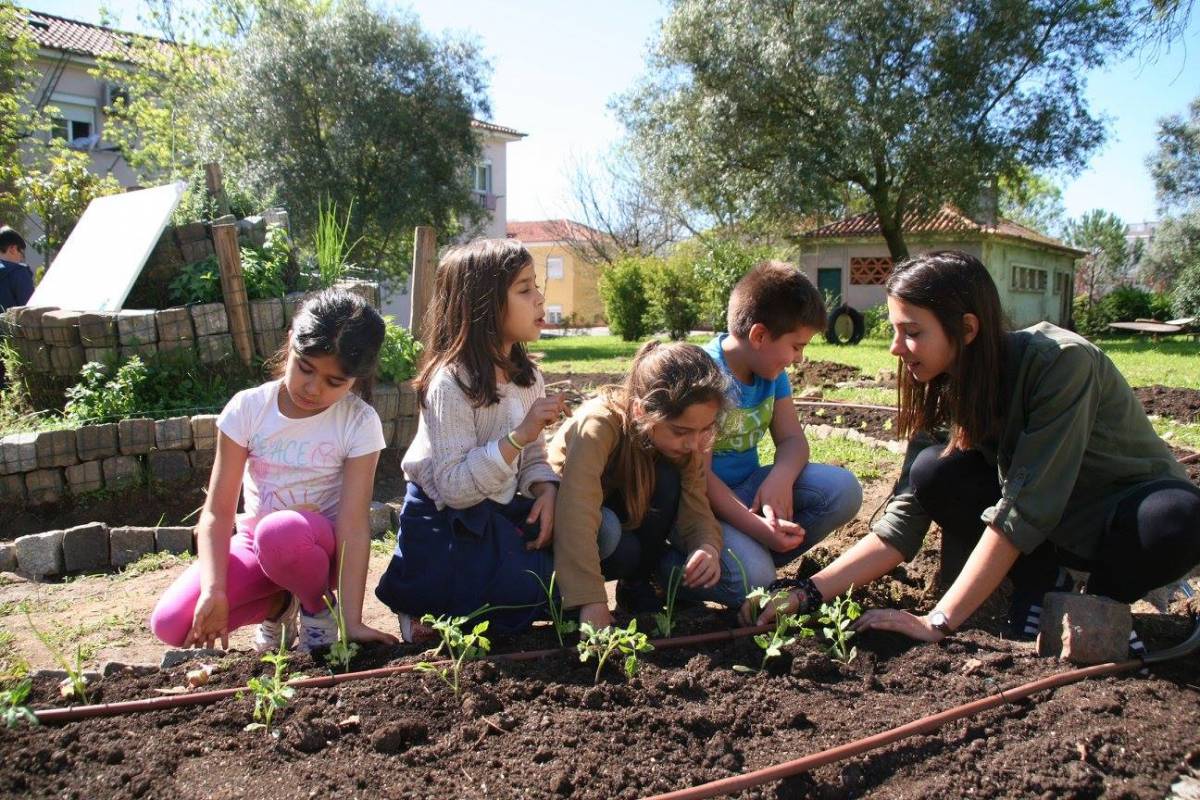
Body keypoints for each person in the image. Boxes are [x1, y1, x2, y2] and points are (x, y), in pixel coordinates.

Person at [751, 250, 1200, 647]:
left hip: (1117, 514)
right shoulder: (944, 385)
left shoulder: (1062, 363)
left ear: (966, 329)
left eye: (911, 331)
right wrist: (805, 594)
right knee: (934, 471)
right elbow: (903, 519)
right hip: (1045, 524)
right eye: (894, 329)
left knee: (1175, 520)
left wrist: (938, 621)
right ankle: (1039, 584)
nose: (894, 348)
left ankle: (1101, 603)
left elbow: (1027, 505)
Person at [151, 289, 399, 653]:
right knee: (172, 626)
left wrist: (351, 618)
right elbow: (218, 513)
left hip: (320, 551)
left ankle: (318, 611)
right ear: (291, 343)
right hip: (256, 547)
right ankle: (280, 606)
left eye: (334, 383)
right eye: (305, 368)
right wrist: (213, 590)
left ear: (356, 380)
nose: (313, 389)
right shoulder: (249, 409)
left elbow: (353, 525)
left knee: (280, 531)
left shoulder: (358, 422)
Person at [374, 239, 564, 641]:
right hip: (448, 520)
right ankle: (421, 605)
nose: (540, 298)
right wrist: (517, 436)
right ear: (485, 306)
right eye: (525, 288)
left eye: (536, 286)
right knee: (526, 590)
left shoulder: (527, 378)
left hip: (500, 507)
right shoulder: (451, 383)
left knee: (592, 543)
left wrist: (546, 489)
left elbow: (532, 455)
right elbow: (455, 488)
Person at [699, 261, 862, 607]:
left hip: (749, 490)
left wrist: (780, 478)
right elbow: (697, 479)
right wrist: (760, 529)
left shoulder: (772, 372)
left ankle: (748, 553)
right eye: (796, 346)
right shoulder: (704, 373)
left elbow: (792, 440)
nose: (800, 359)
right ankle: (665, 572)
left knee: (843, 490)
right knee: (757, 581)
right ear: (759, 336)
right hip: (699, 507)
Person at [550, 340, 726, 630]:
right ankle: (566, 601)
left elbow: (696, 503)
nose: (695, 443)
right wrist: (591, 600)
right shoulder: (599, 425)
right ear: (641, 411)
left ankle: (636, 586)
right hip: (567, 525)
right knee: (613, 536)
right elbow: (576, 511)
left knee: (668, 481)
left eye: (704, 430)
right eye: (681, 431)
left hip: (620, 519)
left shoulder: (681, 446)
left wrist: (706, 545)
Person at [0, 226, 34, 311]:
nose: (21, 257)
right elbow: (29, 309)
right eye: (21, 252)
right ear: (13, 249)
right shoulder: (19, 272)